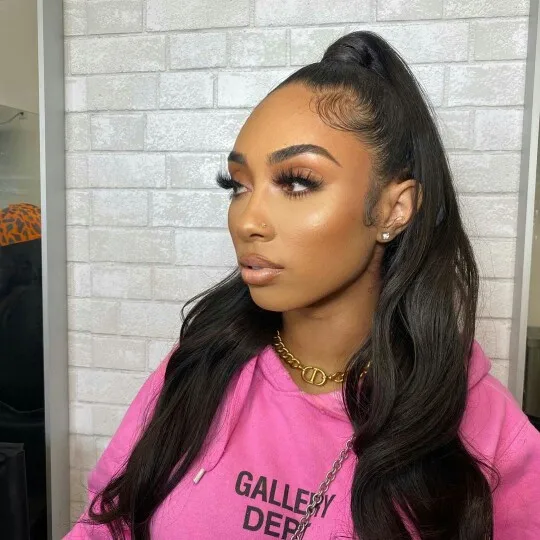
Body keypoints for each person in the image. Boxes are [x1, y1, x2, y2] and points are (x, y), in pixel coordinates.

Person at [65, 31, 540, 539]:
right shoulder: (197, 369)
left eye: (296, 182)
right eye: (238, 185)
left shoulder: (483, 429)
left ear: (393, 209)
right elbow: (102, 526)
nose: (247, 220)